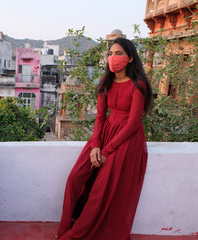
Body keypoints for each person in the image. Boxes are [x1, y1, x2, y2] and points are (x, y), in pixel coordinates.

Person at [56, 37, 153, 240]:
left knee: (100, 189)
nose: (113, 58)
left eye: (118, 54)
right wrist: (96, 145)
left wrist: (107, 151)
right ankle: (66, 226)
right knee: (75, 178)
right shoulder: (105, 82)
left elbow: (133, 124)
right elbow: (100, 116)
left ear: (131, 58)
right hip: (105, 133)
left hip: (126, 139)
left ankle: (79, 233)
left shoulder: (139, 84)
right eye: (110, 54)